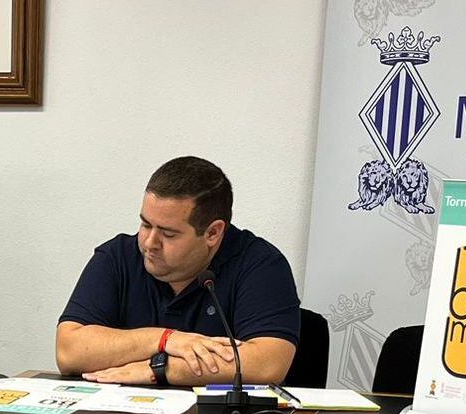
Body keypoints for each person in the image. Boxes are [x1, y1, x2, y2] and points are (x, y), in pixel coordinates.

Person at [56, 157, 300, 386]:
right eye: (145, 224)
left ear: (213, 233)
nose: (150, 242)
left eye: (168, 234)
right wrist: (165, 339)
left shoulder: (260, 264)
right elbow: (69, 351)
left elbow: (268, 363)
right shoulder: (117, 257)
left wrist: (160, 368)